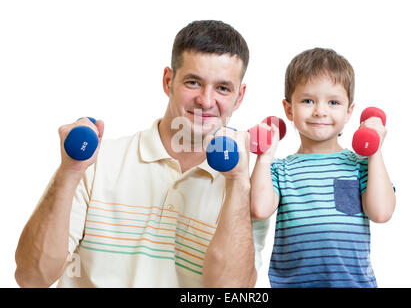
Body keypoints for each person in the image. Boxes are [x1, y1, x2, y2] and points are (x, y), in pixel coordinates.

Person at [14, 20, 269, 287]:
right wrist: (70, 171)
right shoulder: (97, 164)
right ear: (168, 81)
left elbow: (229, 292)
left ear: (239, 97)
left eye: (223, 88)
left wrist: (238, 182)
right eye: (193, 82)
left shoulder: (251, 193)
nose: (206, 100)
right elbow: (32, 277)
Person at [250, 48, 396, 287]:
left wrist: (375, 150)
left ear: (349, 111)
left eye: (333, 102)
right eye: (308, 100)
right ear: (289, 109)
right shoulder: (279, 170)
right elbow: (259, 209)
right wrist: (265, 155)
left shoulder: (360, 166)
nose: (320, 111)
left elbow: (381, 213)